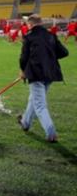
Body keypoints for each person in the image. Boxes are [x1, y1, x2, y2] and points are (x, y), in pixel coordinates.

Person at [18, 14, 69, 142]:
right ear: (41, 23)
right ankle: (25, 122)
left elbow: (24, 57)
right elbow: (64, 52)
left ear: (30, 24)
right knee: (34, 99)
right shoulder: (51, 35)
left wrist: (22, 71)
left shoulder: (29, 37)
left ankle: (51, 133)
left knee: (40, 105)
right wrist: (48, 57)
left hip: (36, 73)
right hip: (50, 73)